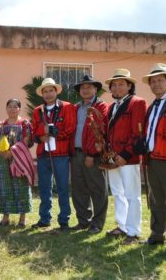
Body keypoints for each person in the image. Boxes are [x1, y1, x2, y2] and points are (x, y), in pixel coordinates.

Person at [104, 68, 146, 244]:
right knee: (118, 193)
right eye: (114, 84)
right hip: (113, 157)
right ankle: (122, 226)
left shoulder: (137, 102)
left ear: (130, 86)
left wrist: (126, 154)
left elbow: (138, 132)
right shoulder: (112, 106)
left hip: (129, 158)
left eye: (121, 84)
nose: (117, 87)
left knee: (132, 195)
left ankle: (133, 232)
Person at [142, 63, 166, 254]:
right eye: (153, 81)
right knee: (155, 200)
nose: (156, 84)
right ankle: (157, 235)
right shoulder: (152, 106)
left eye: (160, 80)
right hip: (152, 160)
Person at [31, 78, 76, 231]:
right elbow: (34, 130)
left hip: (61, 154)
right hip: (43, 154)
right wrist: (40, 136)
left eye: (51, 90)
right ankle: (45, 218)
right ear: (42, 94)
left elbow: (71, 128)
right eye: (45, 91)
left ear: (56, 91)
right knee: (44, 188)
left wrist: (54, 133)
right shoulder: (37, 110)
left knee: (63, 187)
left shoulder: (67, 107)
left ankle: (64, 220)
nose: (48, 94)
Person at [70, 75, 108, 234]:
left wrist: (91, 154)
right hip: (76, 154)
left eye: (89, 87)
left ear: (95, 89)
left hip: (92, 155)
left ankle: (97, 223)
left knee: (97, 188)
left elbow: (98, 131)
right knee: (78, 189)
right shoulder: (76, 107)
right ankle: (83, 221)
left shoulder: (101, 106)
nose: (85, 89)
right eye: (82, 87)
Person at [0, 98, 34, 227]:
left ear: (19, 109)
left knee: (21, 186)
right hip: (3, 160)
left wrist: (12, 152)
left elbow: (26, 141)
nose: (12, 109)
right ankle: (5, 217)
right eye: (9, 106)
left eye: (15, 106)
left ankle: (22, 218)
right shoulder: (1, 124)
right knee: (5, 187)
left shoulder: (25, 123)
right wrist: (0, 152)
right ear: (6, 108)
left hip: (20, 159)